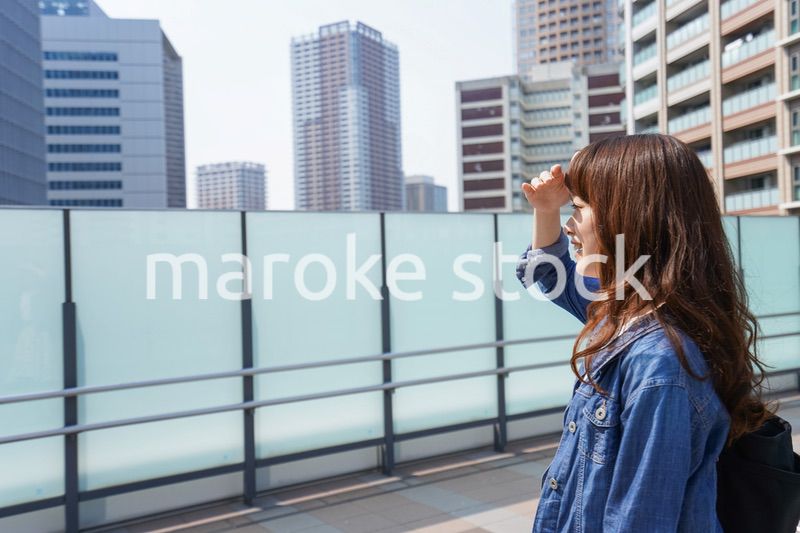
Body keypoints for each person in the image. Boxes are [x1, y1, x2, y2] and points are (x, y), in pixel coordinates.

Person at [515, 134, 774, 532]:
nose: (569, 224)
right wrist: (546, 209)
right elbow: (546, 276)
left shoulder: (659, 364)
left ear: (630, 218)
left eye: (579, 208)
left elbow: (640, 521)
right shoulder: (625, 313)